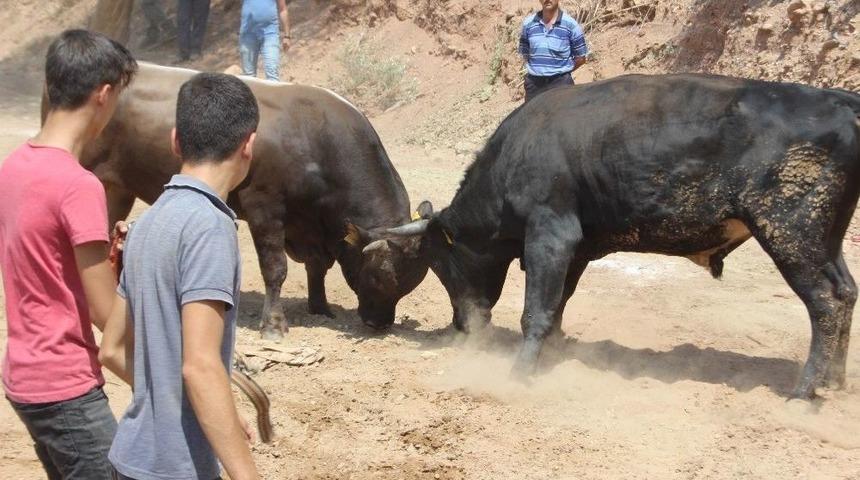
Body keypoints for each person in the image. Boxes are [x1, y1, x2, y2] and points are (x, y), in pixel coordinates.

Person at [99, 72, 261, 480]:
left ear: (175, 141)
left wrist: (208, 410)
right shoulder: (210, 227)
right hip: (176, 469)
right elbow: (200, 366)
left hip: (130, 457)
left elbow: (113, 350)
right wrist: (246, 473)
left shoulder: (147, 222)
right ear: (249, 146)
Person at [0, 29, 137, 479]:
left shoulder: (14, 166)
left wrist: (107, 260)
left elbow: (45, 264)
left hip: (24, 376)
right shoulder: (78, 186)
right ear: (103, 94)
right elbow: (105, 314)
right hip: (66, 385)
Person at [518, 0, 589, 102]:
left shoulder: (571, 25)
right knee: (535, 118)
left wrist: (560, 72)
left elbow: (581, 58)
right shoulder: (528, 24)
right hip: (534, 87)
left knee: (565, 117)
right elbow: (525, 54)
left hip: (561, 86)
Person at [239, 0, 291, 81]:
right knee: (248, 76)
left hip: (270, 33)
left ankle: (274, 93)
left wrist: (287, 36)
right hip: (248, 34)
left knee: (272, 71)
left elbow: (283, 9)